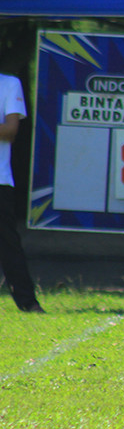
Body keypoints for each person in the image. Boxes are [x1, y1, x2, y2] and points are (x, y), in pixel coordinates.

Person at [0, 70, 43, 312]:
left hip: (0, 180)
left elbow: (10, 131)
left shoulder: (9, 84)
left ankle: (28, 303)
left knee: (7, 244)